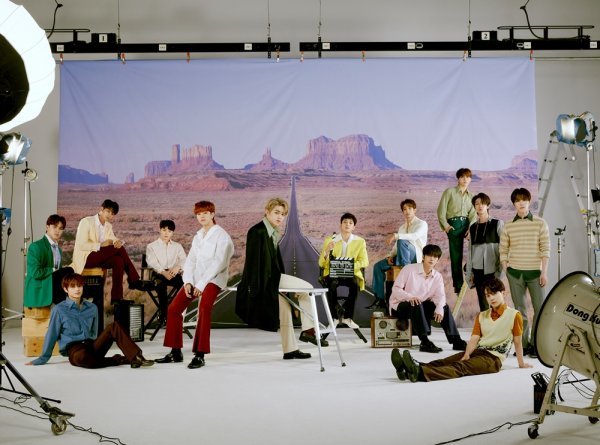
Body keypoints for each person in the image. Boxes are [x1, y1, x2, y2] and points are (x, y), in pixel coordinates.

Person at [391, 277, 532, 382]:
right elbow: (474, 339)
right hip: (477, 352)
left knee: (460, 367)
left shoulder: (514, 315)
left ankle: (419, 373)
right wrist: (467, 354)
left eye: (494, 293)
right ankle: (407, 369)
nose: (491, 298)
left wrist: (521, 363)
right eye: (488, 295)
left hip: (493, 359)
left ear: (503, 293)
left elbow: (517, 341)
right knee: (446, 361)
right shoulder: (482, 315)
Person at [236, 197, 323, 361]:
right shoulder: (257, 231)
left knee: (285, 312)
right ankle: (308, 330)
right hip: (266, 281)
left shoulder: (273, 231)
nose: (280, 217)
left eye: (282, 214)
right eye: (276, 212)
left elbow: (275, 261)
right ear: (266, 212)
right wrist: (254, 290)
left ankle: (290, 350)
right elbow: (253, 263)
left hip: (274, 279)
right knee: (307, 288)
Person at [155, 201, 234, 369]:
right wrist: (188, 282)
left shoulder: (222, 236)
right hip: (196, 279)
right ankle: (175, 352)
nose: (201, 216)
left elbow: (218, 263)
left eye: (205, 213)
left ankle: (200, 354)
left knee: (204, 308)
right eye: (198, 214)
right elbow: (190, 261)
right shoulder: (198, 236)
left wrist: (202, 284)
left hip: (214, 279)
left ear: (212, 214)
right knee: (173, 309)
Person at [26, 273, 154, 369]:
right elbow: (52, 334)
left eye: (79, 286)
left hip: (92, 346)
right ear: (66, 289)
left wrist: (95, 343)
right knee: (84, 358)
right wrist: (43, 358)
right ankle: (119, 359)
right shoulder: (59, 310)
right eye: (73, 286)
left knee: (114, 326)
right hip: (75, 351)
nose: (77, 289)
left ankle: (137, 357)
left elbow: (94, 332)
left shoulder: (92, 308)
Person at [499, 187, 550, 357]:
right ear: (514, 204)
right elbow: (503, 250)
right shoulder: (508, 226)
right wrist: (506, 270)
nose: (521, 203)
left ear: (529, 202)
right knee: (520, 312)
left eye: (524, 200)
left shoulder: (540, 223)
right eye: (517, 200)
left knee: (540, 309)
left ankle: (536, 345)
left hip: (536, 273)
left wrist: (544, 272)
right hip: (515, 274)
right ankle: (525, 345)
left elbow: (545, 249)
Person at [389, 244, 467, 353]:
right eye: (429, 256)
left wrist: (439, 308)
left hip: (420, 307)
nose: (432, 259)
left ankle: (456, 340)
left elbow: (440, 296)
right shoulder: (409, 269)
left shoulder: (437, 276)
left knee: (443, 307)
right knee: (416, 303)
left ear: (437, 260)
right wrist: (410, 297)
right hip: (400, 306)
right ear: (423, 257)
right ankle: (424, 342)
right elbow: (396, 289)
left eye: (435, 257)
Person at [71, 199, 142, 303]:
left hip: (99, 258)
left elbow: (113, 239)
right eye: (108, 211)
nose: (110, 215)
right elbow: (81, 245)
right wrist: (100, 245)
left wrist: (118, 242)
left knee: (118, 261)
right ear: (101, 209)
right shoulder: (86, 222)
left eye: (112, 214)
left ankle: (117, 298)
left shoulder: (108, 226)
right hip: (86, 258)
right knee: (119, 249)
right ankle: (134, 279)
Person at [369, 199, 428, 308]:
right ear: (402, 212)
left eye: (410, 208)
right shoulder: (402, 227)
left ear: (415, 210)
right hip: (402, 256)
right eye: (404, 209)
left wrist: (396, 235)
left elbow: (414, 236)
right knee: (378, 266)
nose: (407, 211)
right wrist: (390, 256)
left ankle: (405, 272)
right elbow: (397, 246)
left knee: (402, 241)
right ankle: (380, 299)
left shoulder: (422, 224)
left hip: (415, 257)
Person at [318, 212, 369, 328]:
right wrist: (327, 251)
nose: (347, 224)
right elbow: (321, 263)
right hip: (333, 273)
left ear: (354, 227)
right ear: (340, 225)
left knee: (355, 284)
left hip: (351, 273)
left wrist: (349, 266)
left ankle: (347, 318)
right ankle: (334, 318)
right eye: (345, 222)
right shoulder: (330, 240)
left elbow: (364, 261)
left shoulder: (360, 241)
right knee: (331, 284)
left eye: (350, 223)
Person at [437, 168, 476, 294]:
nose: (465, 180)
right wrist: (446, 226)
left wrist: (471, 229)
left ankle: (472, 277)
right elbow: (441, 210)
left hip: (467, 224)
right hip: (453, 225)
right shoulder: (449, 192)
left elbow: (473, 214)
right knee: (456, 256)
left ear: (470, 179)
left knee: (476, 250)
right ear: (458, 178)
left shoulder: (472, 196)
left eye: (468, 177)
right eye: (462, 177)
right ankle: (458, 285)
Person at [24, 214, 74, 308]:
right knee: (69, 270)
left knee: (70, 273)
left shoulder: (58, 250)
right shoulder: (36, 247)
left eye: (60, 228)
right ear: (47, 227)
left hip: (53, 289)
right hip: (41, 290)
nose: (57, 231)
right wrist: (53, 270)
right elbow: (35, 273)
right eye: (54, 227)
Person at [465, 193, 504, 311]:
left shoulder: (497, 223)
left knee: (496, 304)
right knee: (484, 306)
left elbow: (504, 249)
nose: (480, 206)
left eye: (482, 203)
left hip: (493, 271)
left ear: (488, 205)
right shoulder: (473, 227)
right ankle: (486, 323)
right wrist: (469, 273)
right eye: (477, 204)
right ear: (474, 207)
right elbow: (470, 253)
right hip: (478, 272)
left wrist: (500, 272)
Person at [145, 219, 187, 323]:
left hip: (173, 273)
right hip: (158, 274)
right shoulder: (151, 246)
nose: (166, 233)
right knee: (160, 285)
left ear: (173, 233)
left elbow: (184, 260)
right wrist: (164, 272)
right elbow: (152, 262)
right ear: (160, 230)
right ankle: (164, 315)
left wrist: (177, 267)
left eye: (169, 231)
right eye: (164, 230)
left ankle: (176, 312)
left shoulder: (177, 246)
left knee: (185, 285)